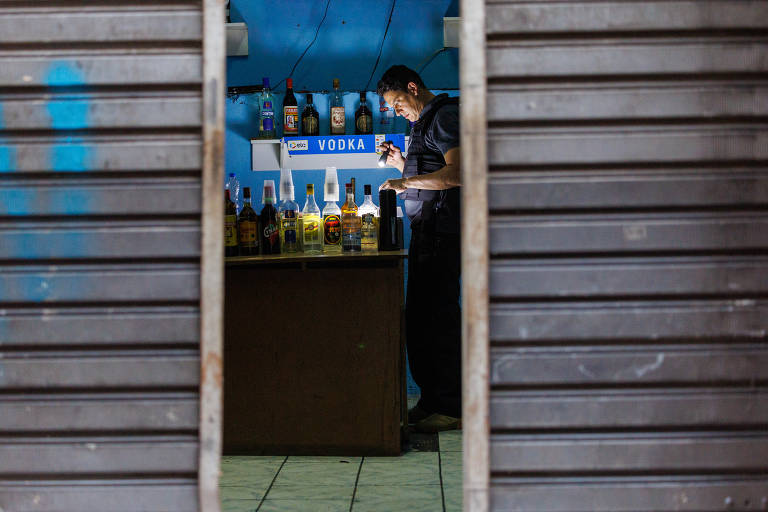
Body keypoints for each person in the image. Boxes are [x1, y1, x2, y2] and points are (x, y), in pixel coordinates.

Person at [378, 65, 461, 433]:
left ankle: (451, 406)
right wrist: (401, 162)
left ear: (413, 87)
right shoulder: (423, 123)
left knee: (439, 320)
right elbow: (430, 171)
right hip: (426, 233)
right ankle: (432, 402)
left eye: (397, 103)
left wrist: (405, 181)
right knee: (421, 320)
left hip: (443, 233)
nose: (397, 111)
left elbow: (458, 173)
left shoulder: (444, 116)